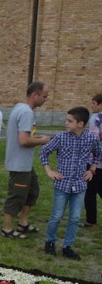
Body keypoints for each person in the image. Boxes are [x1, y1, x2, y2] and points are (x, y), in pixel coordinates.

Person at [40, 106, 101, 260]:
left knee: (74, 217)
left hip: (80, 185)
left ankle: (68, 246)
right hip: (62, 184)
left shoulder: (92, 138)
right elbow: (44, 151)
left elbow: (98, 153)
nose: (66, 123)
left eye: (69, 121)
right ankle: (50, 241)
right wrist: (49, 171)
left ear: (80, 124)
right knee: (57, 215)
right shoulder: (61, 137)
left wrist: (92, 169)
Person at [1, 81, 51, 238]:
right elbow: (23, 140)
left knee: (32, 191)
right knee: (16, 196)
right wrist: (42, 140)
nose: (46, 99)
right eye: (44, 96)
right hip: (19, 164)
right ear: (34, 95)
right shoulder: (26, 112)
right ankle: (7, 229)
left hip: (25, 164)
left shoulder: (21, 108)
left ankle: (23, 223)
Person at [82, 93, 102, 227]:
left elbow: (94, 140)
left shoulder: (96, 118)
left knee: (90, 191)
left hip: (96, 161)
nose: (92, 106)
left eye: (94, 104)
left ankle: (91, 219)